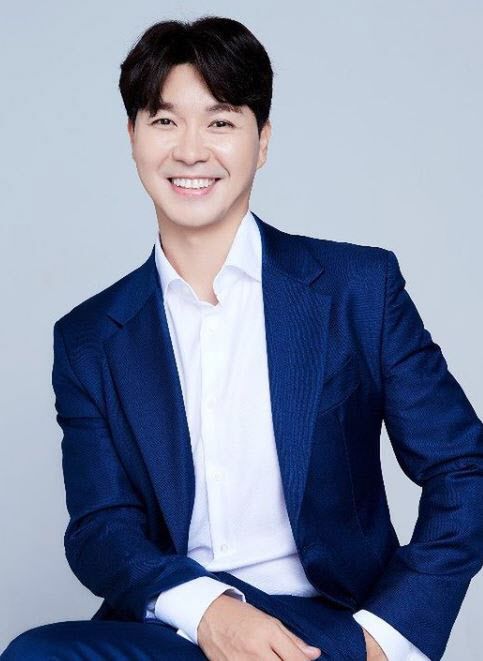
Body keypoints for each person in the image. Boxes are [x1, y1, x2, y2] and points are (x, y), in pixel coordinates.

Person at [3, 15, 482, 661]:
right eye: (164, 120)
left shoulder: (356, 289)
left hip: (327, 626)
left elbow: (464, 467)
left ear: (261, 142)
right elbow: (101, 528)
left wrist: (387, 638)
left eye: (221, 122)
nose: (190, 150)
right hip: (177, 624)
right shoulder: (89, 338)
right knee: (37, 654)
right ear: (132, 137)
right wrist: (208, 610)